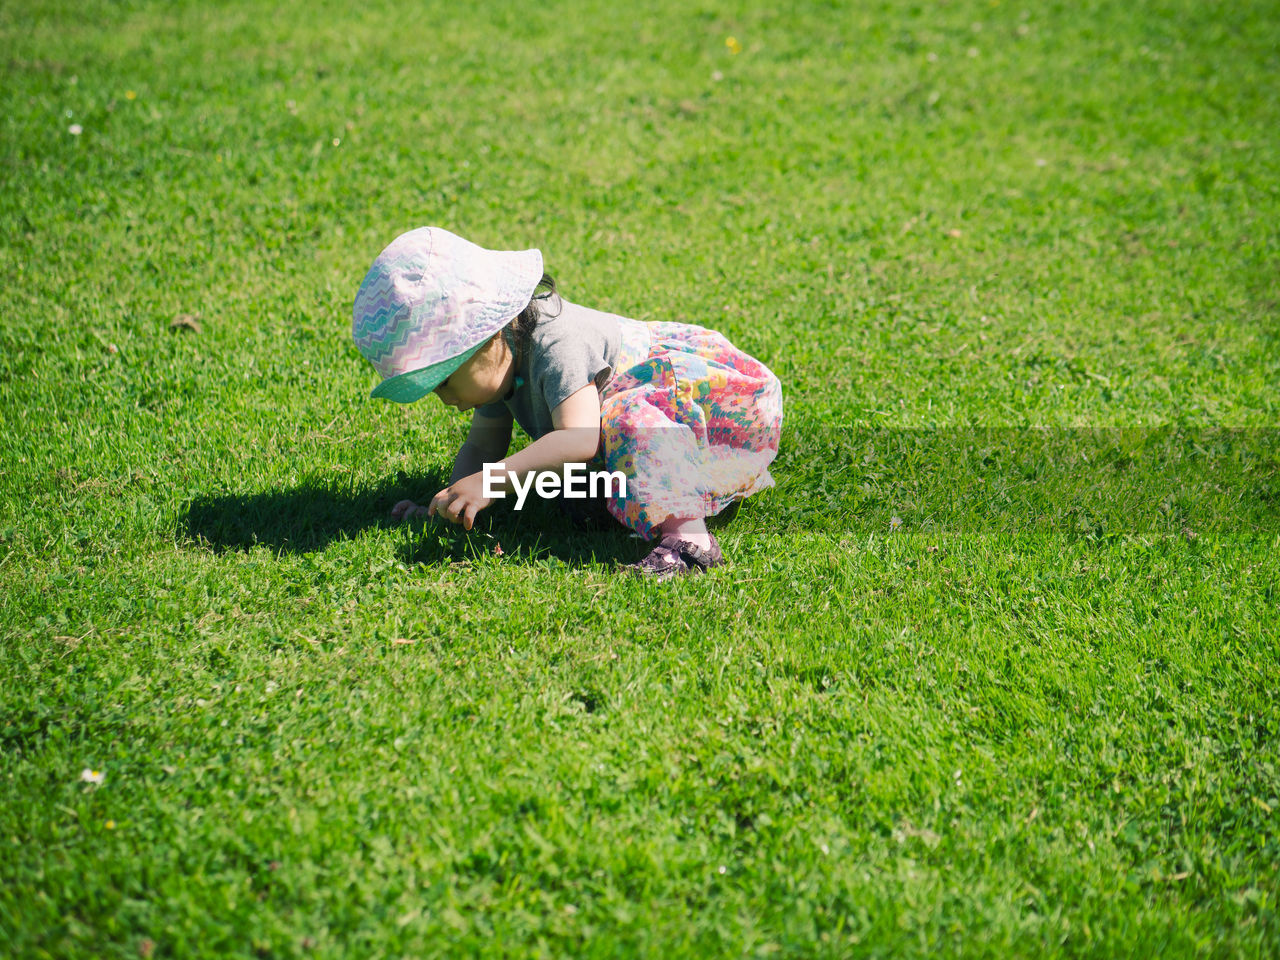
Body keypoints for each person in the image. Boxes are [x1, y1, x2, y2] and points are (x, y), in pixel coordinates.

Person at [352, 226, 783, 580]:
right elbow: (483, 450)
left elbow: (578, 438)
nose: (446, 399)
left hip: (713, 413)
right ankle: (611, 500)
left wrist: (493, 481)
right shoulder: (503, 362)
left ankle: (691, 542)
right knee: (577, 478)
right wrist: (449, 502)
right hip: (650, 426)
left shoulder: (556, 341)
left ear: (486, 339)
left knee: (628, 420)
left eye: (444, 381)